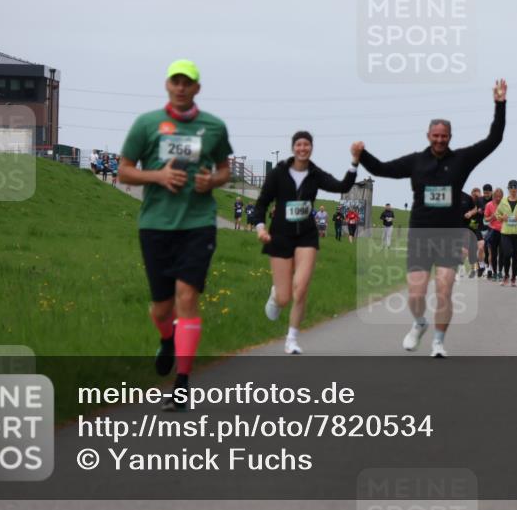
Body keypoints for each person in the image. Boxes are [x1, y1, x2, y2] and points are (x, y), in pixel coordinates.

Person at [354, 79, 507, 358]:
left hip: (449, 236)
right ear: (428, 135)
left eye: (444, 136)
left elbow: (493, 140)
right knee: (416, 293)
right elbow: (382, 169)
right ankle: (419, 322)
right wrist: (361, 155)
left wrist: (500, 104)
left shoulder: (461, 160)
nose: (439, 140)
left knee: (445, 289)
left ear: (450, 136)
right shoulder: (416, 162)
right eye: (435, 136)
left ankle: (438, 341)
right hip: (420, 235)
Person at [118, 59, 232, 412]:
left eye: (188, 82)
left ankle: (181, 385)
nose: (181, 87)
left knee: (187, 297)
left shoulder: (213, 127)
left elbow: (225, 169)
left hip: (198, 224)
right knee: (162, 308)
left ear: (197, 88)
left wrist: (210, 181)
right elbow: (124, 170)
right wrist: (159, 177)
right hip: (155, 224)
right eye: (176, 81)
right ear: (167, 85)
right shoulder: (147, 124)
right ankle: (167, 338)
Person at [253, 131, 359, 354]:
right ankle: (276, 295)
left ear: (311, 148)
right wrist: (261, 228)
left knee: (301, 289)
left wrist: (354, 162)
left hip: (307, 236)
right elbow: (261, 204)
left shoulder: (315, 173)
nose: (303, 148)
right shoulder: (278, 174)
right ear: (293, 148)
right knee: (284, 298)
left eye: (307, 145)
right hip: (280, 235)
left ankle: (291, 339)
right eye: (299, 145)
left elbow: (342, 186)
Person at [495, 180, 517, 287]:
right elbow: (497, 214)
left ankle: (513, 278)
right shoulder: (504, 201)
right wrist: (502, 217)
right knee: (507, 254)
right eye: (511, 188)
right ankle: (506, 275)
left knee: (515, 256)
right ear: (508, 189)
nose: (513, 190)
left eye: (515, 187)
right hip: (506, 232)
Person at [483, 188, 504, 282]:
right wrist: (493, 216)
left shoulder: (505, 205)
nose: (498, 198)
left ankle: (500, 272)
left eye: (500, 196)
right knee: (494, 253)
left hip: (504, 231)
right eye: (496, 196)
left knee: (503, 253)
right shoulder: (489, 205)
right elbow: (486, 219)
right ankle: (494, 272)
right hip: (493, 230)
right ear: (493, 196)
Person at [479, 184, 493, 276]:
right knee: (481, 248)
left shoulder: (494, 200)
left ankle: (490, 268)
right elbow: (476, 209)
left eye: (488, 193)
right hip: (481, 226)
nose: (486, 194)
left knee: (490, 248)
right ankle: (481, 266)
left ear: (491, 192)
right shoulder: (480, 200)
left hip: (491, 227)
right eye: (484, 193)